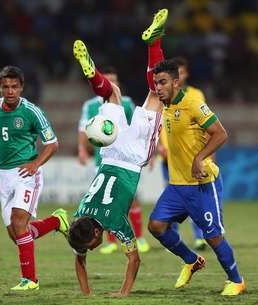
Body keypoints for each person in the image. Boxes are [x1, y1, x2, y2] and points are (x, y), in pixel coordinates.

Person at [145, 10, 245, 296]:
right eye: (157, 83)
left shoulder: (192, 104)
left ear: (176, 82)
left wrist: (200, 157)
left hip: (202, 184)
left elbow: (221, 133)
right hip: (178, 185)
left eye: (163, 82)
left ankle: (236, 280)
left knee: (213, 237)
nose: (158, 87)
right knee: (156, 226)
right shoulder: (164, 106)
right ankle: (191, 260)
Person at [68, 25, 162, 296]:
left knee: (156, 94)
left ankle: (154, 42)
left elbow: (134, 260)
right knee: (112, 94)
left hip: (133, 158)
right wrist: (86, 295)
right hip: (109, 152)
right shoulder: (80, 216)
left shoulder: (116, 222)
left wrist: (123, 293)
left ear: (97, 236)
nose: (90, 251)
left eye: (91, 246)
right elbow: (79, 254)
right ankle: (93, 73)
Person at [0, 65, 69, 291]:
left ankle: (30, 280)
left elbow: (52, 143)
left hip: (26, 174)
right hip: (3, 176)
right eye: (5, 87)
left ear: (21, 87)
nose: (10, 91)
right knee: (17, 234)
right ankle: (56, 221)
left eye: (14, 86)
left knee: (19, 223)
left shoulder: (32, 111)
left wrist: (35, 163)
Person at [77, 67, 150, 254]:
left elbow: (137, 126)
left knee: (131, 201)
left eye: (113, 80)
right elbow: (83, 129)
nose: (111, 84)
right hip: (103, 160)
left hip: (125, 158)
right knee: (104, 204)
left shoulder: (126, 103)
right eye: (107, 80)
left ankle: (139, 237)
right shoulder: (90, 105)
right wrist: (82, 149)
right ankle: (110, 241)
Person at [157, 56, 207, 251]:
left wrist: (204, 154)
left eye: (183, 71)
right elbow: (160, 124)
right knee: (173, 199)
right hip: (168, 158)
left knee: (195, 200)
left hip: (190, 156)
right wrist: (158, 146)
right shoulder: (162, 97)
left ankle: (199, 237)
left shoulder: (195, 95)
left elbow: (203, 123)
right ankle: (174, 237)